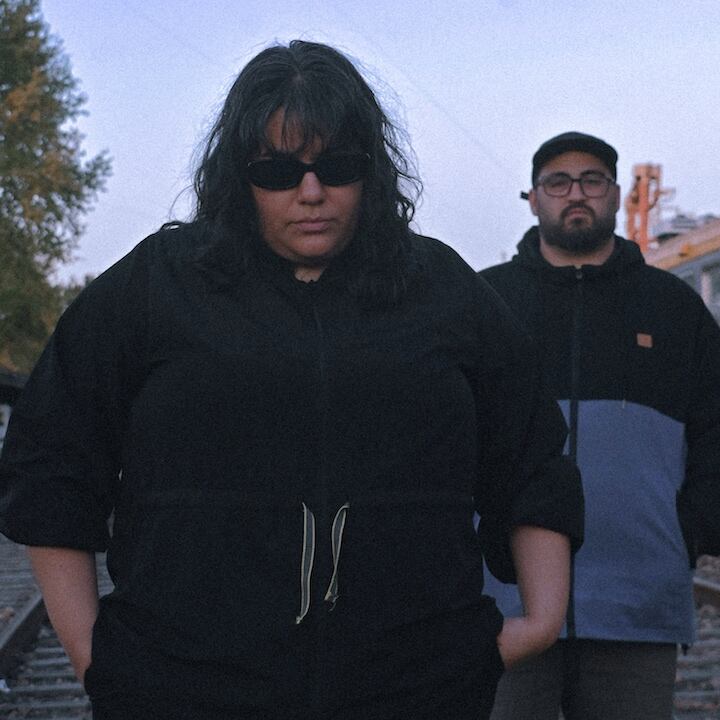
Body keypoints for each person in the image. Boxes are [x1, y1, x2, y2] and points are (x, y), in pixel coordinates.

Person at [0, 43, 584, 720]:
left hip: (412, 690)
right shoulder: (159, 286)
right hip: (188, 692)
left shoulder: (441, 290)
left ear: (371, 169)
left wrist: (540, 623)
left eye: (337, 166)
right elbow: (52, 457)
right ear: (238, 174)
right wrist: (94, 656)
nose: (311, 192)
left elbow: (531, 456)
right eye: (278, 171)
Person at [481, 132, 720, 720]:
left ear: (615, 194)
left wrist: (690, 533)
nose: (575, 194)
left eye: (592, 180)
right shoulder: (486, 301)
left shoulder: (672, 306)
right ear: (533, 198)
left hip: (638, 605)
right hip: (502, 601)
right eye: (558, 182)